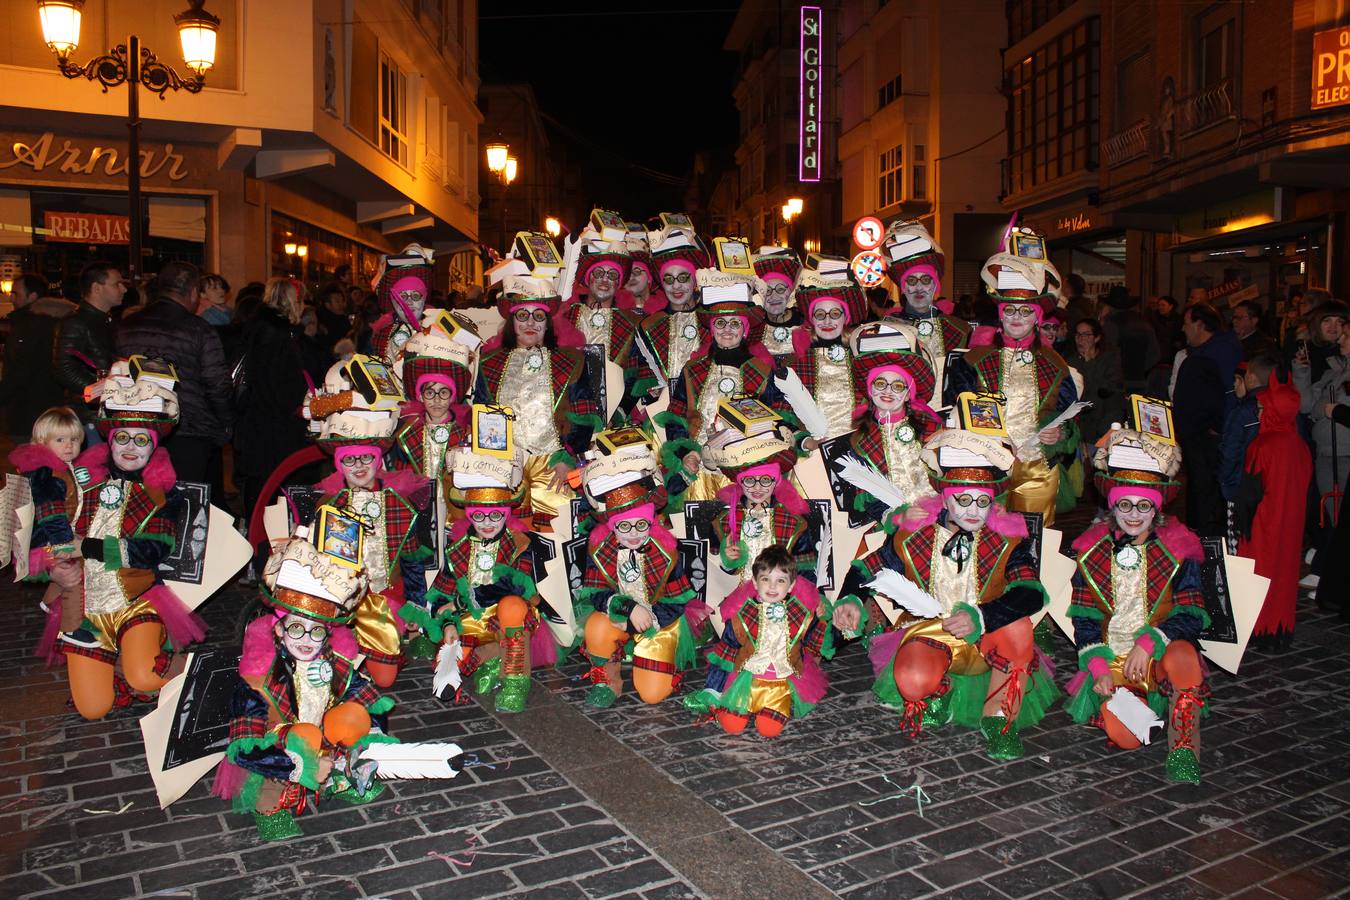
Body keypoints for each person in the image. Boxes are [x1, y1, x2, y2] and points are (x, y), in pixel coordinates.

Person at [832, 430, 1058, 760]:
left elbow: (1030, 593)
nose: (973, 510)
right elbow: (866, 568)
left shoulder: (1008, 538)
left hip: (990, 633)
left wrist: (981, 616)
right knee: (911, 680)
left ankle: (998, 722)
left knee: (1020, 627)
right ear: (946, 498)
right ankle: (940, 691)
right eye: (963, 499)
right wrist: (850, 598)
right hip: (932, 630)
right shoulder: (915, 535)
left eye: (983, 501)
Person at [214, 534, 392, 841]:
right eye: (297, 628)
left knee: (352, 714)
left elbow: (370, 706)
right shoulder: (257, 680)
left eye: (317, 631)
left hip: (325, 744)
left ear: (328, 633)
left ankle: (340, 777)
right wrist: (300, 767)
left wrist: (367, 744)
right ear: (280, 629)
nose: (307, 640)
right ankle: (271, 804)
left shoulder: (335, 665)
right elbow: (244, 751)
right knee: (302, 734)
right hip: (280, 755)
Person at [1065, 427, 1210, 784]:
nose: (1133, 514)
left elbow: (1192, 613)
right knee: (1127, 738)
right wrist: (1097, 666)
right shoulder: (1092, 550)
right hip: (1112, 659)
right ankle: (1132, 706)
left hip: (1159, 654)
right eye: (1125, 504)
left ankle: (1184, 749)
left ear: (1155, 509)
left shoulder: (1179, 548)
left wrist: (1150, 642)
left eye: (1143, 505)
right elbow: (1084, 618)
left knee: (1185, 657)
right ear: (1112, 506)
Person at [59, 369, 205, 719]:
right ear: (109, 441)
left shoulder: (160, 495)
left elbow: (150, 551)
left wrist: (88, 547)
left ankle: (187, 674)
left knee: (145, 676)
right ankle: (115, 662)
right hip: (86, 610)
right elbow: (56, 535)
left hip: (136, 602)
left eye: (141, 441)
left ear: (154, 447)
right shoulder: (84, 484)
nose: (129, 448)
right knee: (93, 709)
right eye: (122, 437)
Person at [946, 232, 1080, 526]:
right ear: (1000, 314)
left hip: (1038, 470)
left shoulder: (1055, 364)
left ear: (1036, 318)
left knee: (1036, 544)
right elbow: (956, 413)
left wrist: (1059, 434)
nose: (1016, 317)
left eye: (1024, 311)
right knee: (990, 543)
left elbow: (1071, 419)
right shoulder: (973, 361)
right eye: (1009, 310)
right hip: (989, 468)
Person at [417, 451, 544, 713]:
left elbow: (513, 586)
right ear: (470, 515)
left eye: (495, 516)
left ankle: (515, 681)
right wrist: (449, 622)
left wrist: (461, 601)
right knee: (448, 667)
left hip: (508, 618)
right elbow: (442, 591)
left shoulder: (520, 544)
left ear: (505, 514)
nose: (487, 523)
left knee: (511, 604)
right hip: (470, 620)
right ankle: (493, 654)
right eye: (479, 516)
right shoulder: (459, 547)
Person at [474, 274, 599, 526]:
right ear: (512, 321)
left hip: (553, 464)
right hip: (506, 465)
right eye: (522, 315)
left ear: (547, 323)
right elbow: (481, 414)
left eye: (538, 316)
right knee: (511, 537)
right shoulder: (489, 364)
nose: (530, 322)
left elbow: (584, 416)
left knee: (557, 536)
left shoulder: (571, 361)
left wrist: (568, 457)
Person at [576, 461, 699, 709]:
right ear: (612, 527)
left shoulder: (666, 552)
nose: (633, 533)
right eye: (624, 526)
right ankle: (608, 681)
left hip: (660, 621)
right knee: (596, 626)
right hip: (621, 617)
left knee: (651, 695)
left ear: (650, 523)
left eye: (641, 525)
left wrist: (647, 618)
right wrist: (628, 608)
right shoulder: (601, 549)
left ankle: (662, 659)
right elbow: (597, 594)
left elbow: (677, 602)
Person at [687, 545, 828, 738]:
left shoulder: (801, 614)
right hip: (745, 683)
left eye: (780, 580)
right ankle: (733, 709)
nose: (772, 586)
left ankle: (772, 708)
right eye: (765, 579)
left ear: (792, 585)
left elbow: (815, 641)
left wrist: (821, 618)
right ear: (754, 582)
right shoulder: (743, 615)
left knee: (769, 731)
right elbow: (726, 652)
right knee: (732, 727)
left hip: (777, 685)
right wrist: (715, 689)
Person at [116, 260, 232, 486]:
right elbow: (217, 383)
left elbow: (116, 374)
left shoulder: (128, 325)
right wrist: (225, 424)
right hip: (189, 427)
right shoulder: (199, 329)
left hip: (136, 426)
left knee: (141, 496)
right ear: (192, 292)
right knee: (185, 499)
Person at [9, 406, 106, 659]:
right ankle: (73, 628)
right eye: (60, 440)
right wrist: (66, 544)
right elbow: (51, 512)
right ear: (42, 442)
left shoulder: (64, 466)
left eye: (74, 440)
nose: (68, 446)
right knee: (75, 574)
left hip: (58, 534)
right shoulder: (47, 472)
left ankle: (51, 598)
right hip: (48, 539)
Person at [1237, 371, 1312, 650]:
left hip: (1263, 526)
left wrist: (1239, 525)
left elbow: (1249, 495)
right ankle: (1279, 631)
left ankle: (1258, 628)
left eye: (1262, 407)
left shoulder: (1262, 445)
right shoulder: (1301, 446)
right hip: (1291, 525)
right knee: (1284, 575)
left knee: (1260, 574)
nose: (1258, 411)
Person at [843, 321, 943, 516]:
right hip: (892, 525)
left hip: (939, 515)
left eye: (898, 386)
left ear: (908, 395)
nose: (888, 391)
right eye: (880, 383)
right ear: (870, 390)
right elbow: (868, 496)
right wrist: (900, 516)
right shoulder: (860, 440)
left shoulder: (932, 426)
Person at [233, 278, 311, 525]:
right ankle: (264, 537)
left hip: (263, 423)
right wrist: (295, 407)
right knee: (270, 484)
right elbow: (274, 383)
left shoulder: (265, 328)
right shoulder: (274, 334)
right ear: (292, 301)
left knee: (266, 483)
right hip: (270, 426)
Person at [881, 219, 970, 406]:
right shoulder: (887, 328)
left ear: (935, 285)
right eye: (911, 281)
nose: (919, 288)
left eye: (926, 280)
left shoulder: (959, 329)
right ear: (903, 288)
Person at [1172, 302, 1242, 537]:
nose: (1183, 329)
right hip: (1198, 434)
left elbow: (1229, 393)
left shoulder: (1220, 352)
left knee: (1208, 487)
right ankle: (1199, 530)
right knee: (1200, 485)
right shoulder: (1205, 351)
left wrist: (1218, 427)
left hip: (1209, 436)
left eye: (1186, 323)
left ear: (1200, 325)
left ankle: (1208, 538)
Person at [783, 261, 869, 442]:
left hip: (859, 450)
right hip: (812, 458)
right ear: (812, 320)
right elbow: (783, 413)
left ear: (846, 318)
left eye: (835, 314)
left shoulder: (864, 359)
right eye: (820, 315)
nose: (827, 321)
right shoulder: (795, 363)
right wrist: (805, 441)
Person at [634, 227, 712, 400]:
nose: (676, 286)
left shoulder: (713, 319)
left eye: (683, 277)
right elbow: (645, 373)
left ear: (694, 281)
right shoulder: (649, 326)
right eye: (668, 279)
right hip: (665, 410)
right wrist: (652, 390)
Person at [55, 262, 125, 441]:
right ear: (96, 288)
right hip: (90, 416)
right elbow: (64, 369)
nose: (123, 289)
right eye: (117, 284)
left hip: (106, 412)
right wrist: (102, 391)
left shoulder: (108, 321)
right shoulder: (76, 322)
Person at [0, 274, 74, 441]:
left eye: (16, 293)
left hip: (26, 410)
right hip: (53, 408)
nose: (11, 298)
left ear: (32, 296)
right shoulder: (59, 322)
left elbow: (19, 371)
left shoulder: (29, 327)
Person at [370, 245, 434, 367]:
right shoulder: (380, 335)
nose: (409, 302)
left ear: (424, 298)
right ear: (393, 300)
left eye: (415, 296)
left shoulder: (439, 331)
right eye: (403, 297)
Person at [1067, 317, 1125, 446]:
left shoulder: (1110, 358)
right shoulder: (1071, 361)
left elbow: (1107, 389)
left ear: (1097, 338)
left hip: (1106, 419)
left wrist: (1089, 362)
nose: (1081, 339)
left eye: (1086, 334)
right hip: (1082, 422)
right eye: (1078, 334)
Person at [1099, 286, 1160, 396]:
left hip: (1118, 383)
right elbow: (1155, 354)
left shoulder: (1110, 325)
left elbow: (1105, 354)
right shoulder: (1144, 323)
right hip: (1140, 380)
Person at [754, 246, 804, 358]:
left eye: (781, 289)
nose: (774, 295)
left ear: (791, 292)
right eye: (767, 290)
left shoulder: (805, 325)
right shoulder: (754, 329)